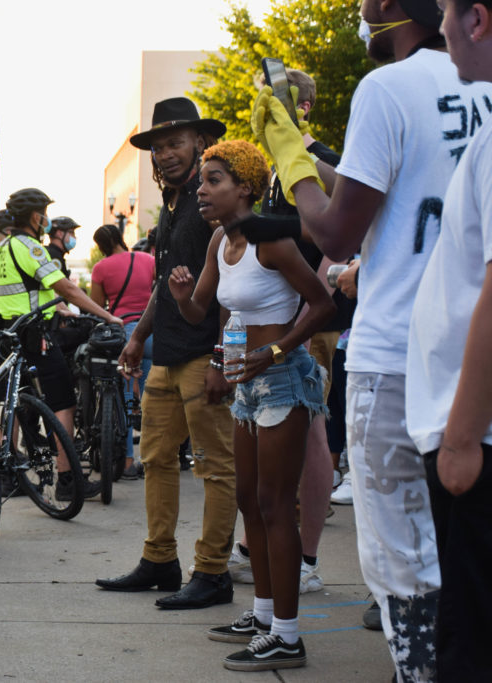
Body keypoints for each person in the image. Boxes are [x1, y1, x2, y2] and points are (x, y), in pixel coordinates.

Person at [253, 0, 492, 676]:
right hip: (473, 353)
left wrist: (290, 158)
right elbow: (386, 193)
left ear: (388, 8)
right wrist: (304, 151)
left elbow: (334, 230)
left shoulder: (385, 87)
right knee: (465, 560)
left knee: (403, 566)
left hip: (394, 356)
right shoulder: (480, 91)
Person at [169, 139, 334, 671]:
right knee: (247, 499)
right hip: (247, 383)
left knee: (273, 503)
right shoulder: (222, 240)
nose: (202, 189)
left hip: (284, 378)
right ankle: (263, 615)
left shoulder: (272, 243)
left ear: (245, 187)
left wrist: (275, 351)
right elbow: (206, 313)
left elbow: (323, 304)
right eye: (202, 181)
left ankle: (288, 635)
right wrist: (186, 303)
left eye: (213, 179)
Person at [95, 97, 238, 611]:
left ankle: (213, 572)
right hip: (167, 357)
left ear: (200, 142)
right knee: (156, 459)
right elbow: (161, 283)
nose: (165, 154)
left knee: (215, 468)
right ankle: (160, 561)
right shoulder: (175, 204)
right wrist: (137, 339)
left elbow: (234, 280)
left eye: (175, 143)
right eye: (157, 147)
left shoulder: (213, 198)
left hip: (206, 356)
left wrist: (225, 357)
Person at [232, 67, 356, 596]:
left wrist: (306, 324)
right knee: (276, 433)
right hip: (283, 318)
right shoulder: (280, 167)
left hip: (316, 320)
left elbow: (339, 234)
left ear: (299, 108)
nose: (265, 115)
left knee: (311, 436)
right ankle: (265, 544)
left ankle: (305, 559)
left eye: (275, 105)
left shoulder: (322, 160)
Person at [405, 0, 492, 678]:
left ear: (478, 20)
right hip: (471, 435)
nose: (439, 31)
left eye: (444, 13)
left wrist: (462, 435)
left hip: (477, 442)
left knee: (467, 645)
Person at [0, 187, 124, 500]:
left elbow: (35, 290)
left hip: (6, 333)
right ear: (36, 217)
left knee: (18, 403)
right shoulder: (31, 247)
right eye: (45, 214)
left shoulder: (4, 248)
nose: (47, 220)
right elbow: (67, 289)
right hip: (32, 334)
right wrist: (108, 317)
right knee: (63, 403)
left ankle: (16, 471)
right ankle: (67, 480)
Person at [90, 224, 155, 479]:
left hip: (125, 337)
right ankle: (152, 461)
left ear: (100, 246)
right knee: (154, 401)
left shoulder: (101, 268)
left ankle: (127, 463)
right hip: (152, 333)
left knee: (127, 402)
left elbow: (96, 307)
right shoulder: (147, 259)